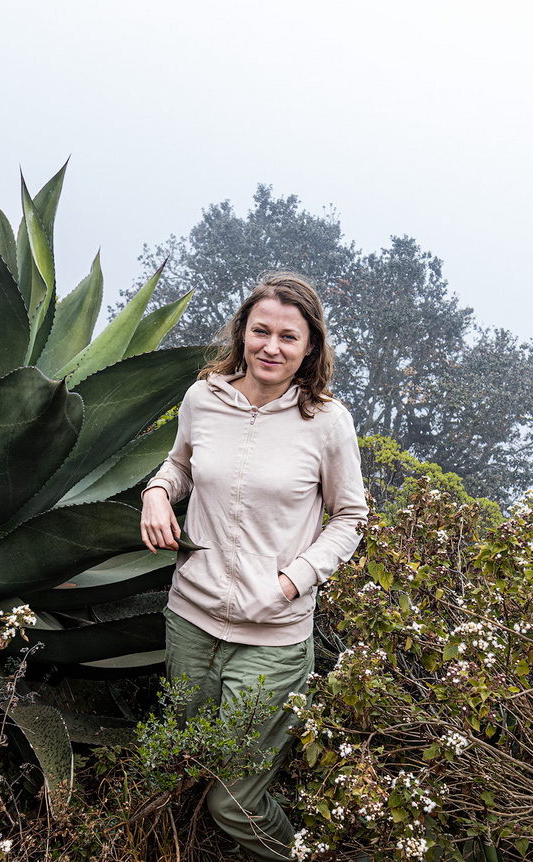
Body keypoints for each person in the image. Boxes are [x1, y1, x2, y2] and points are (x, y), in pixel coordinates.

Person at [140, 272, 368, 861]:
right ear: (242, 334)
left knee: (234, 801)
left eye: (288, 337)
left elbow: (349, 518)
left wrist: (291, 582)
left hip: (272, 636)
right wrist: (157, 493)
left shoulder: (328, 422)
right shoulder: (203, 398)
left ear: (310, 347)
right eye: (260, 331)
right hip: (190, 620)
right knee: (180, 764)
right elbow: (180, 465)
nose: (271, 347)